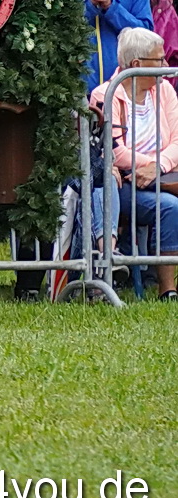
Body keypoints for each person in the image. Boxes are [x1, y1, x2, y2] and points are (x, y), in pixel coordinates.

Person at [88, 27, 178, 299]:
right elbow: (114, 151)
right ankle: (161, 287)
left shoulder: (166, 92)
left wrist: (157, 167)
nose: (166, 66)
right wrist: (149, 166)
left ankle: (167, 288)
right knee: (167, 206)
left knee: (171, 204)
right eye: (159, 60)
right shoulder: (105, 95)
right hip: (124, 183)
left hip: (162, 178)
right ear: (137, 65)